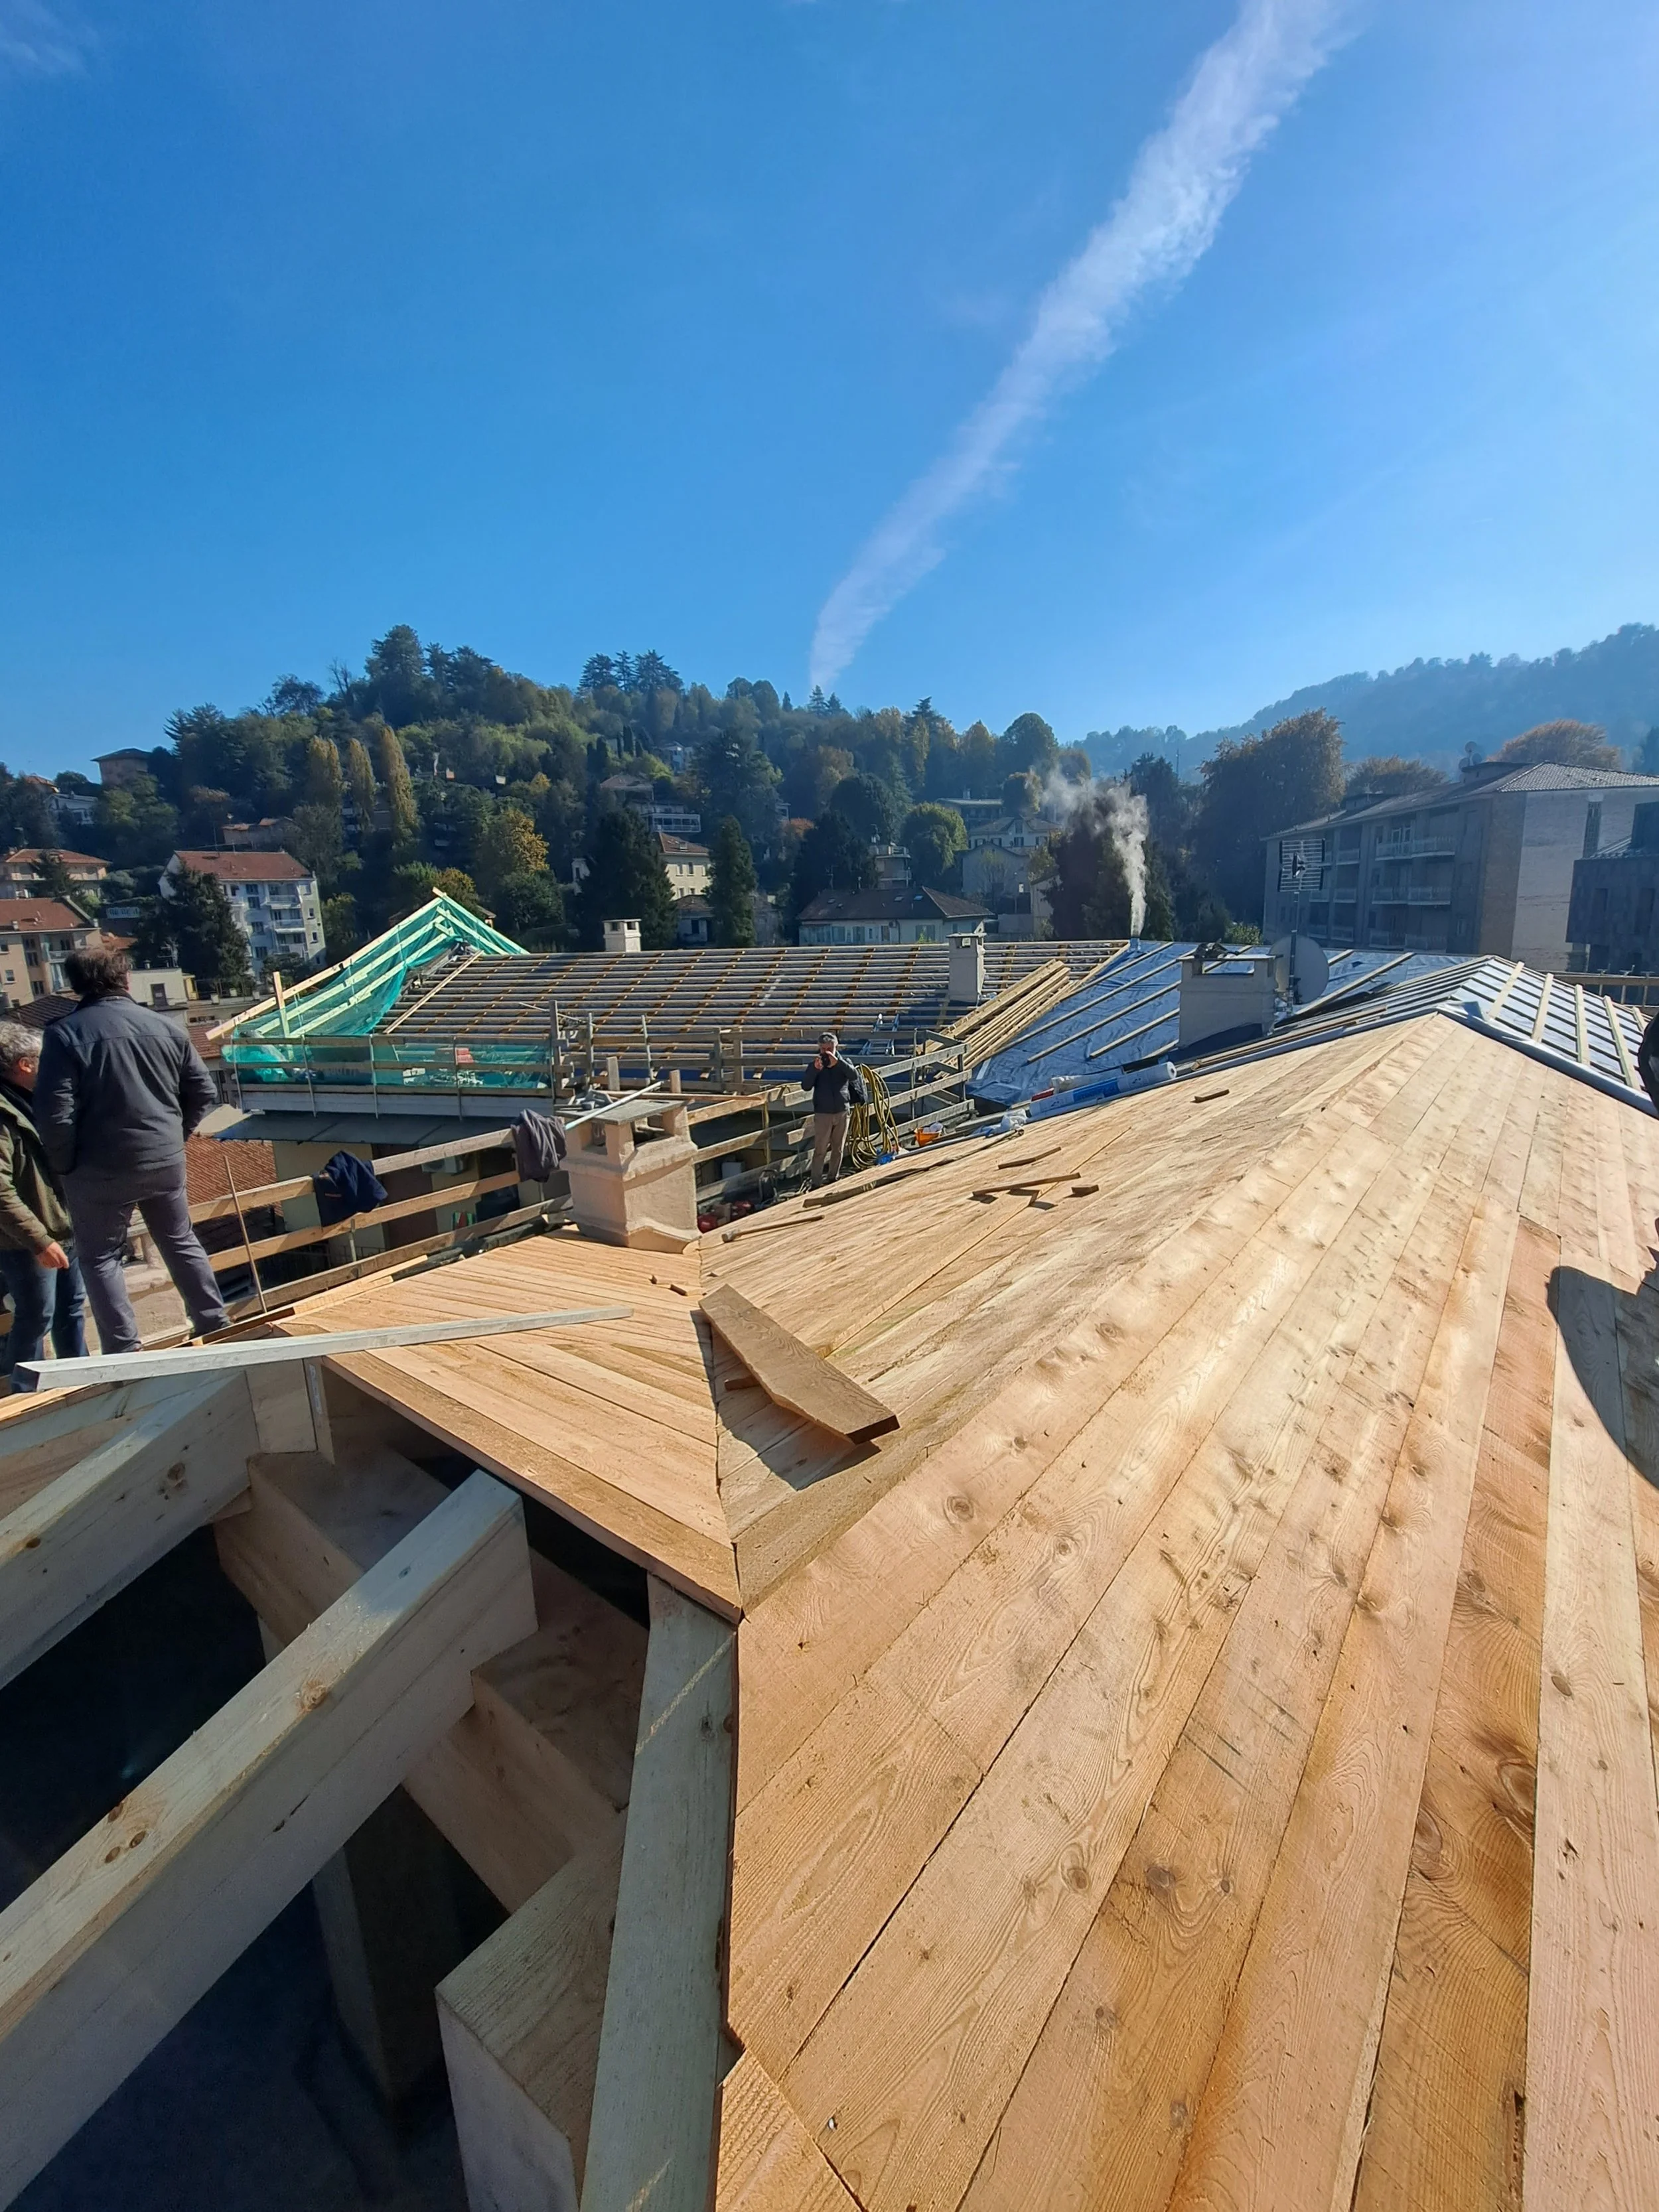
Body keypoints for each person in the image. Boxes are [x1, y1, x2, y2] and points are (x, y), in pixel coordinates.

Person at [35, 948, 228, 1354]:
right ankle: (214, 1323)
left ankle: (124, 1351)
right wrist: (175, 1138)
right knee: (179, 1239)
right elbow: (203, 1091)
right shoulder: (165, 1027)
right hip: (163, 1160)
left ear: (75, 986)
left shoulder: (64, 1034)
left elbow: (55, 1116)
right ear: (125, 981)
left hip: (98, 1168)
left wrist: (64, 1166)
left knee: (101, 1258)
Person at [0, 1019, 87, 1385]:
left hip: (62, 1226)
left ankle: (82, 1378)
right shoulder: (5, 1115)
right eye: (43, 1060)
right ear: (24, 1065)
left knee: (71, 1309)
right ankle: (20, 1393)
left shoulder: (31, 1103)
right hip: (28, 1241)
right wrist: (40, 1240)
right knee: (37, 1316)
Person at [801, 1030, 866, 1188]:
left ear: (836, 1047)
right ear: (819, 1049)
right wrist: (815, 1070)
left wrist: (839, 1063)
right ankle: (816, 1182)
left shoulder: (844, 1062)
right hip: (823, 1113)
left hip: (842, 1110)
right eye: (824, 1049)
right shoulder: (815, 1065)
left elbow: (854, 1076)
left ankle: (833, 1177)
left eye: (830, 1048)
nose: (827, 1052)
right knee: (820, 1150)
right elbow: (806, 1086)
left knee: (838, 1147)